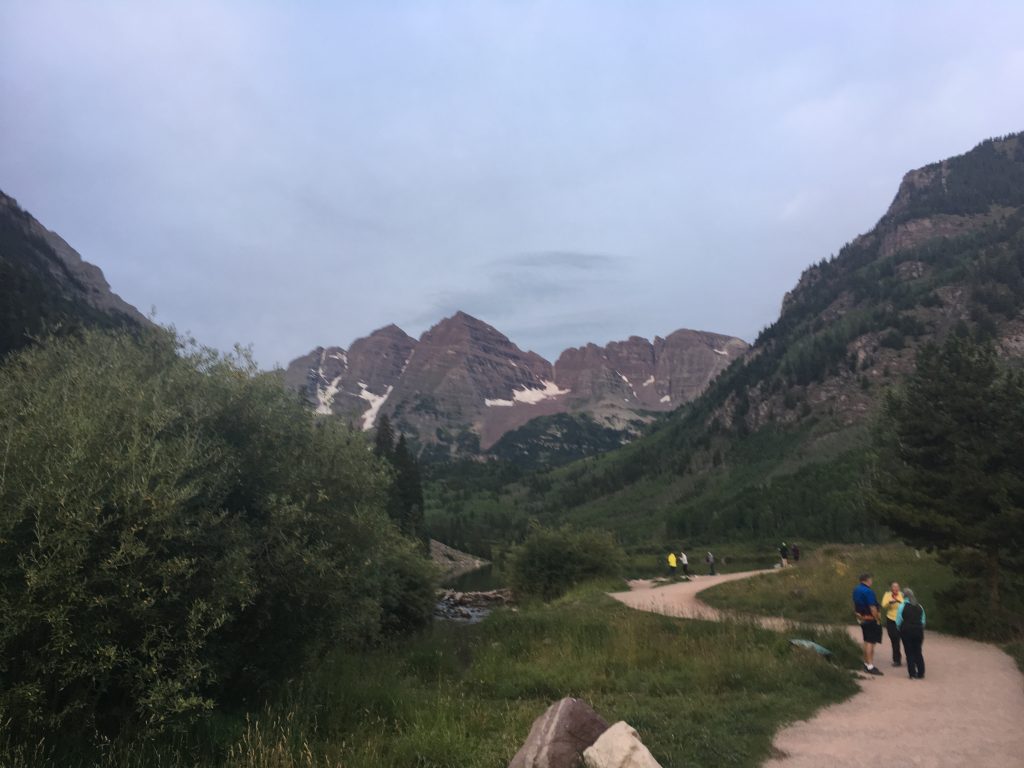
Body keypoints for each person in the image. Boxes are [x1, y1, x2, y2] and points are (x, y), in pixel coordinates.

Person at [852, 572, 884, 675]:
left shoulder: (856, 589)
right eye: (871, 580)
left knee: (866, 641)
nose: (872, 581)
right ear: (867, 580)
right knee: (871, 642)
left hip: (862, 618)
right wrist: (877, 618)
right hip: (870, 619)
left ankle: (866, 663)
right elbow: (872, 607)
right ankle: (870, 666)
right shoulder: (868, 591)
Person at [896, 587, 926, 679]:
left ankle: (912, 673)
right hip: (918, 630)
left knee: (909, 652)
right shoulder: (919, 606)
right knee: (918, 651)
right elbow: (923, 621)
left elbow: (898, 620)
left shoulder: (902, 606)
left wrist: (899, 629)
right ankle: (921, 673)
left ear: (904, 596)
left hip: (906, 630)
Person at [881, 581, 904, 667]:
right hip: (891, 619)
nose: (895, 589)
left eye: (897, 587)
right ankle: (897, 659)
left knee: (905, 640)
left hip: (901, 620)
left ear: (899, 588)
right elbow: (883, 605)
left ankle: (911, 658)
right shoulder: (887, 595)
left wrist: (898, 601)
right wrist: (890, 603)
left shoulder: (902, 595)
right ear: (891, 588)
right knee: (894, 639)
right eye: (893, 587)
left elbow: (905, 604)